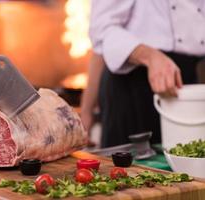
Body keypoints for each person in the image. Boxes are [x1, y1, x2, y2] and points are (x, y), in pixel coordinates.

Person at [81, 0, 205, 148]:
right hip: (131, 85)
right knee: (127, 169)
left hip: (186, 85)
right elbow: (103, 30)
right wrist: (86, 111)